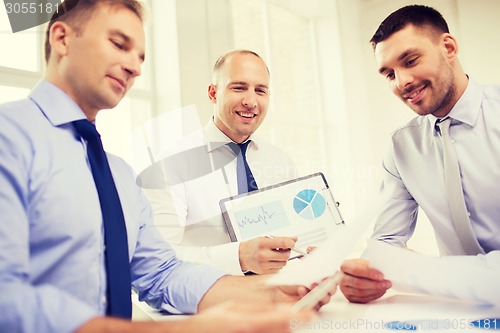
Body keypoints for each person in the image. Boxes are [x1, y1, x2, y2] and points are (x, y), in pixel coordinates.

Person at [0, 1, 333, 332]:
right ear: (62, 39)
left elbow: (162, 274)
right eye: (119, 44)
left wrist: (275, 294)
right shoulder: (9, 138)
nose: (135, 67)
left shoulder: (119, 175)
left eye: (141, 57)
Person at [340, 4, 500, 303]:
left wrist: (415, 271)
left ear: (448, 47)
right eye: (388, 74)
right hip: (463, 316)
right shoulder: (402, 147)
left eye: (410, 61)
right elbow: (382, 248)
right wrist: (365, 278)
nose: (402, 83)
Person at [142, 49, 299, 275]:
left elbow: (296, 235)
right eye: (239, 88)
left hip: (281, 295)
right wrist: (239, 258)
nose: (250, 101)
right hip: (209, 300)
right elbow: (158, 255)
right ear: (213, 93)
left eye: (261, 90)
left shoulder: (281, 161)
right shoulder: (172, 164)